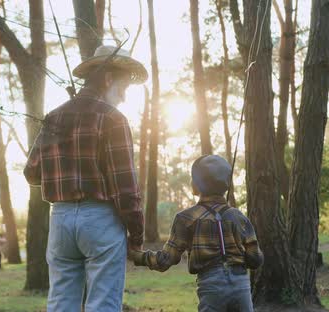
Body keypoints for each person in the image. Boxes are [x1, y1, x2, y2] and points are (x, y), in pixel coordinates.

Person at [23, 45, 148, 312]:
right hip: (100, 219)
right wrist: (136, 234)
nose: (124, 97)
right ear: (107, 79)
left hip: (60, 219)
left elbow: (31, 173)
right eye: (123, 87)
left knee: (60, 302)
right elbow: (125, 188)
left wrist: (65, 171)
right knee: (103, 302)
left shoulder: (54, 116)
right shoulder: (113, 119)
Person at [129, 155, 264, 312]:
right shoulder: (239, 217)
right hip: (241, 284)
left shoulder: (185, 218)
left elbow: (165, 260)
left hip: (211, 286)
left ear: (198, 184)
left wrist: (136, 256)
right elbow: (255, 259)